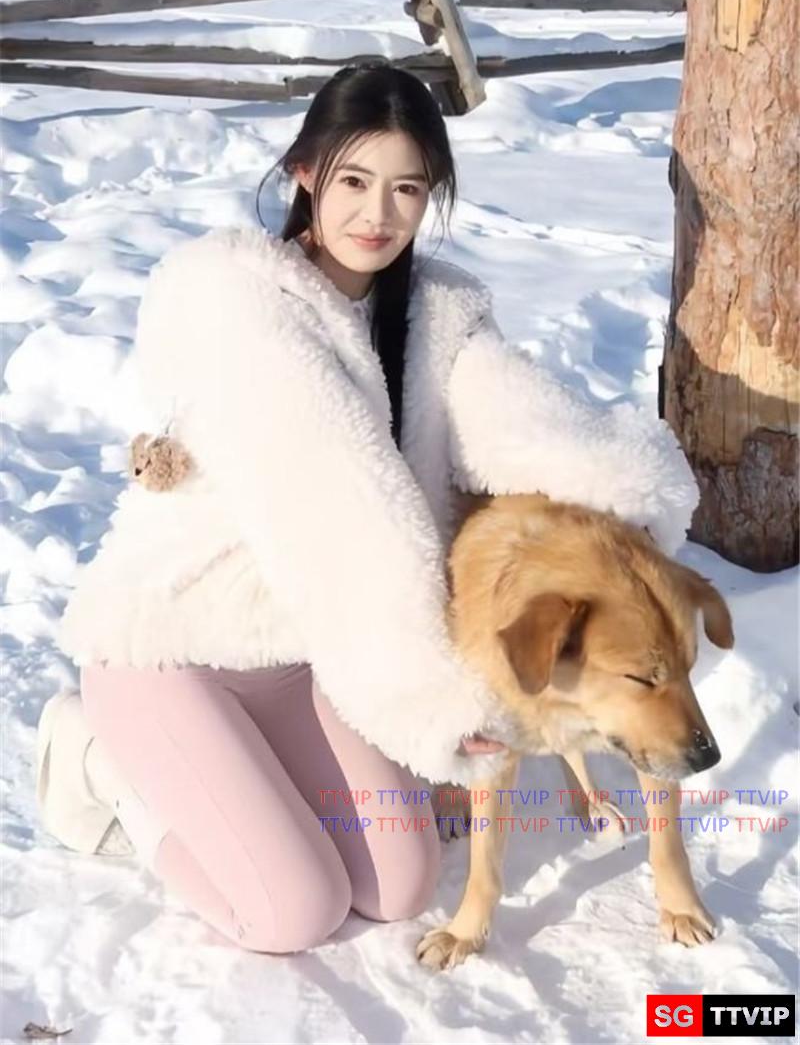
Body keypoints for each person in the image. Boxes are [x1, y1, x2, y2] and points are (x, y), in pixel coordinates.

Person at [37, 63, 699, 954]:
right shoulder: (240, 306)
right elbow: (349, 513)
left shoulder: (436, 314)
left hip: (306, 660)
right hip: (172, 651)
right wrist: (436, 703)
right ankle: (102, 762)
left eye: (406, 189)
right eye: (353, 181)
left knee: (398, 888)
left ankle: (249, 780)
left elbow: (522, 424)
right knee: (293, 913)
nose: (377, 214)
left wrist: (631, 513)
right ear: (305, 172)